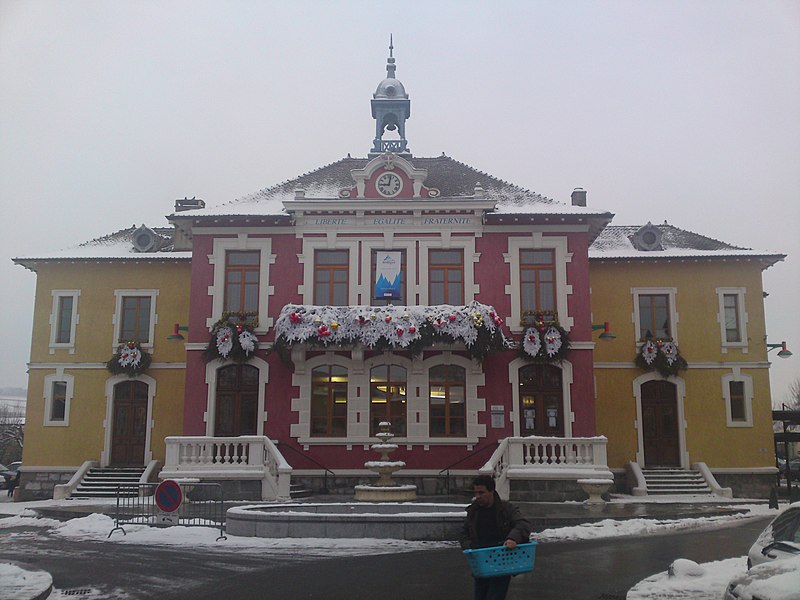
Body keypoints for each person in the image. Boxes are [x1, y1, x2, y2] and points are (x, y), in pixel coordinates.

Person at [460, 475, 532, 600]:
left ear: (491, 491)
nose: (477, 496)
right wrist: (469, 547)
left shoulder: (506, 509)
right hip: (480, 563)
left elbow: (523, 524)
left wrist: (512, 539)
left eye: (481, 492)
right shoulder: (473, 511)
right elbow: (463, 533)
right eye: (475, 492)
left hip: (501, 562)